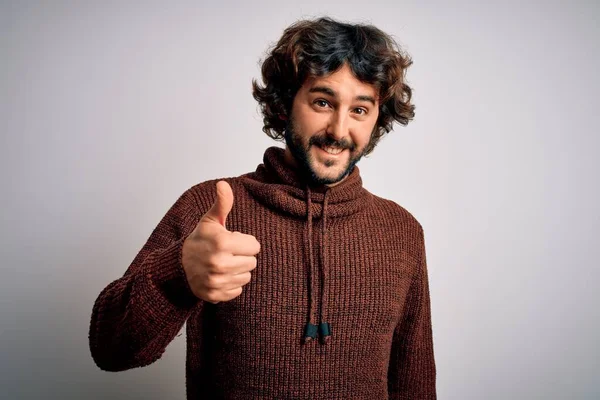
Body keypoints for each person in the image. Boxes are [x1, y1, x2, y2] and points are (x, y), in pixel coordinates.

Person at [89, 16, 436, 399]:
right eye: (323, 101)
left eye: (359, 110)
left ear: (376, 119)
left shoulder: (401, 230)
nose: (339, 130)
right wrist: (178, 273)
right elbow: (109, 350)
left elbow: (414, 385)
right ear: (286, 103)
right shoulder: (211, 208)